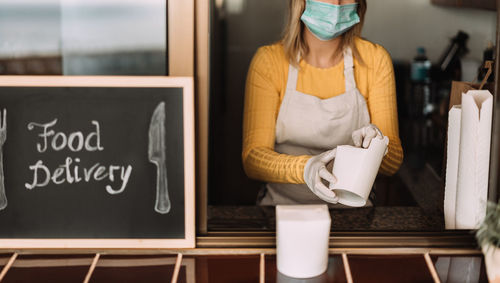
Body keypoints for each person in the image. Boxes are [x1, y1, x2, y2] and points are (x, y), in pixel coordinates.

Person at [242, 0, 404, 206]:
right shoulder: (269, 62)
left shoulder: (375, 60)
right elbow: (253, 159)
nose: (336, 3)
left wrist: (378, 148)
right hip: (281, 207)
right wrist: (305, 168)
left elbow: (394, 163)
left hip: (353, 211)